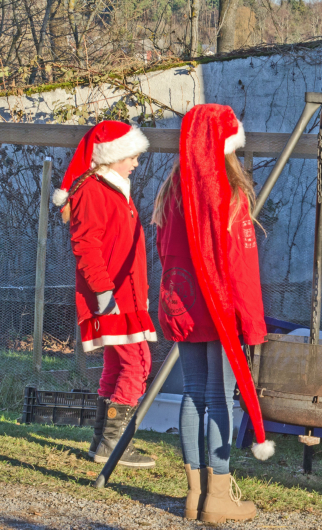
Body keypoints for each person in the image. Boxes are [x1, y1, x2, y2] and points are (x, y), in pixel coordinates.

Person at [153, 104, 274, 524]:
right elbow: (241, 267)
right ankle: (218, 498)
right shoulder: (228, 193)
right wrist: (251, 321)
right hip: (218, 308)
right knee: (220, 397)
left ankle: (195, 495)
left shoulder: (173, 189)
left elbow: (164, 251)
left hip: (181, 303)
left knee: (193, 393)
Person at [55, 120, 157, 468]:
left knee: (117, 363)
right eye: (131, 156)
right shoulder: (94, 191)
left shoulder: (115, 188)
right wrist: (103, 293)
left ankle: (102, 441)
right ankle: (114, 443)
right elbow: (86, 245)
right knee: (138, 363)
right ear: (111, 155)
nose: (136, 163)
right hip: (111, 294)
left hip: (125, 292)